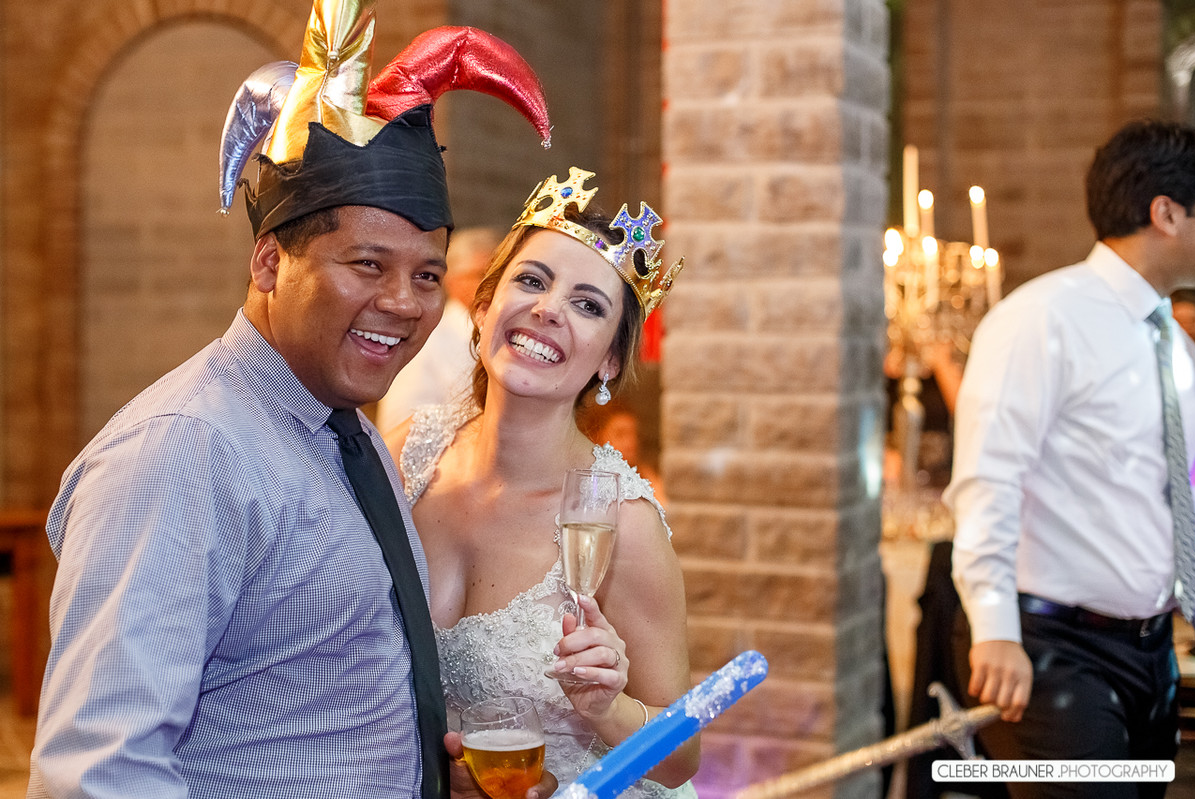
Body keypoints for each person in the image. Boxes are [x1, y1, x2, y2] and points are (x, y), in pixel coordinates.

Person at [26, 3, 554, 797]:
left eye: (426, 274)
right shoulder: (184, 451)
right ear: (270, 262)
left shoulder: (348, 433)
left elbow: (315, 703)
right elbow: (98, 774)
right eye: (367, 264)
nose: (405, 303)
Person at [384, 166, 698, 798]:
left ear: (609, 358)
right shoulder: (406, 455)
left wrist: (607, 706)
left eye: (588, 305)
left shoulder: (619, 520)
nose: (549, 310)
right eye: (531, 281)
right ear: (482, 306)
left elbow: (681, 754)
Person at [945, 119, 1195, 799]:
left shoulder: (1177, 347)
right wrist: (995, 627)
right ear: (1167, 213)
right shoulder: (1042, 319)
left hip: (1152, 651)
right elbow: (987, 478)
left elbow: (1182, 489)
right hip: (1052, 650)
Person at [375, 226, 502, 431]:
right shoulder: (426, 339)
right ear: (453, 281)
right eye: (483, 275)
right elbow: (400, 427)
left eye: (500, 275)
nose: (495, 284)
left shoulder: (506, 336)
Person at [581, 400, 667, 503]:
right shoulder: (588, 480)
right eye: (620, 435)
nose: (630, 443)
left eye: (634, 434)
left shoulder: (645, 475)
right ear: (596, 437)